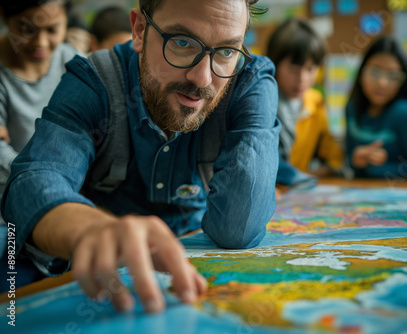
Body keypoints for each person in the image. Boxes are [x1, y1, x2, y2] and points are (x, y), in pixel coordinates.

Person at [1, 0, 280, 314]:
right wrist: (92, 230)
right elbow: (33, 181)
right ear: (139, 30)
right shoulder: (96, 80)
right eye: (183, 43)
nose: (202, 78)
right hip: (106, 282)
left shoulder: (246, 80)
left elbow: (238, 227)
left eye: (227, 51)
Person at [0, 0, 79, 195]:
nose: (41, 43)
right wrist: (46, 175)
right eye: (27, 29)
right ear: (4, 17)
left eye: (52, 30)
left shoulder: (72, 61)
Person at [267, 18, 343, 186]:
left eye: (310, 69)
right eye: (293, 69)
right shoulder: (262, 101)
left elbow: (334, 158)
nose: (302, 79)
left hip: (295, 191)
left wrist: (303, 176)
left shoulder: (315, 102)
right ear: (274, 63)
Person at [344, 35, 407, 179]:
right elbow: (350, 158)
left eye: (393, 76)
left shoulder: (406, 114)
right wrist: (355, 160)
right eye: (375, 72)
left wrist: (375, 169)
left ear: (403, 82)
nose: (382, 83)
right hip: (360, 192)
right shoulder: (352, 107)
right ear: (361, 74)